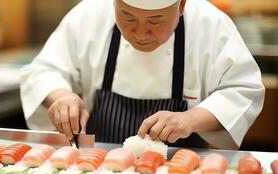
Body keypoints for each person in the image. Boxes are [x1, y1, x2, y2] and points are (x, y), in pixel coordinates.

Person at [20, 0, 265, 149]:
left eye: (155, 20)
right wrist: (60, 96)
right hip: (97, 173)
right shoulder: (89, 14)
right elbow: (43, 70)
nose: (140, 33)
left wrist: (190, 120)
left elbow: (242, 90)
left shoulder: (210, 25)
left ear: (181, 5)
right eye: (127, 16)